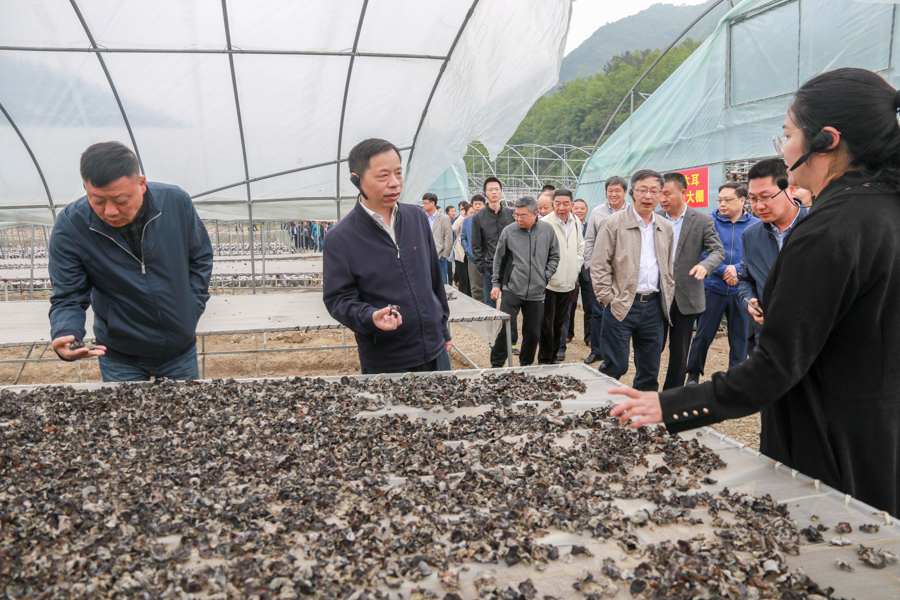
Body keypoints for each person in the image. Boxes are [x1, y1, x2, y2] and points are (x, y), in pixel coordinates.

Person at [610, 67, 900, 517]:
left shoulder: (828, 231)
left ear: (825, 140)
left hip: (829, 446)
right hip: (879, 435)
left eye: (787, 134)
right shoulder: (885, 209)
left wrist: (670, 404)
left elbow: (777, 365)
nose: (783, 148)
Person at [48, 141, 213, 382]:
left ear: (142, 184)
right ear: (85, 188)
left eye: (121, 200)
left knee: (185, 407)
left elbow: (199, 257)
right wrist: (66, 332)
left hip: (180, 351)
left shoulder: (175, 203)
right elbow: (68, 294)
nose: (110, 211)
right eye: (98, 201)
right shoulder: (71, 226)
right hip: (120, 356)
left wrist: (191, 307)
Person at [323, 138, 451, 374]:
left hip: (435, 350)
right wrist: (371, 317)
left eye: (398, 173)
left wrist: (443, 330)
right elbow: (338, 300)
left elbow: (434, 280)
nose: (394, 183)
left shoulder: (417, 218)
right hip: (387, 359)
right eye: (383, 176)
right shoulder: (340, 238)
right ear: (356, 180)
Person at [591, 170, 674, 391]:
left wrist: (668, 296)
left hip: (654, 306)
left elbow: (667, 265)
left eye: (654, 191)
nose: (648, 196)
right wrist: (608, 298)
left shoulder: (664, 226)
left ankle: (642, 411)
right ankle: (602, 404)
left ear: (661, 195)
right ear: (632, 193)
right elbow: (599, 264)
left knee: (649, 370)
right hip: (622, 303)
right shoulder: (613, 223)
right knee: (615, 365)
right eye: (642, 190)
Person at [685, 183, 759, 384]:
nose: (722, 204)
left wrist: (737, 269)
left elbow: (756, 255)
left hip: (741, 291)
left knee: (740, 338)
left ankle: (735, 381)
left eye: (727, 200)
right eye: (720, 200)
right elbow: (700, 252)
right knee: (703, 334)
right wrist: (723, 269)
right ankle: (693, 375)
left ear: (742, 201)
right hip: (713, 287)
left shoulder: (756, 225)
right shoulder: (708, 222)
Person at [658, 172, 725, 390]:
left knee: (679, 351)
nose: (662, 199)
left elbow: (717, 251)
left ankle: (672, 395)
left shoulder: (702, 220)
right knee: (651, 346)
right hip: (656, 293)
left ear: (683, 193)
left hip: (686, 295)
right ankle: (646, 390)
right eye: (660, 194)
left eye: (667, 194)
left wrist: (705, 266)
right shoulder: (654, 218)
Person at [737, 158, 808, 346]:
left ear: (791, 189)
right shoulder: (751, 235)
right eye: (753, 198)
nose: (759, 206)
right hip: (767, 338)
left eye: (766, 197)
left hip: (809, 339)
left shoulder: (818, 229)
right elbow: (745, 279)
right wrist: (749, 302)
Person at [489, 196, 559, 368]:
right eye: (516, 215)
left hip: (537, 292)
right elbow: (499, 260)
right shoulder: (509, 231)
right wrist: (496, 284)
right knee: (505, 328)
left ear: (535, 214)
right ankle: (496, 365)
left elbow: (554, 256)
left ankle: (525, 365)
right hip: (512, 288)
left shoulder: (547, 231)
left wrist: (545, 276)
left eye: (523, 215)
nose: (518, 219)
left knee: (533, 333)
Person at [582, 176, 629, 364]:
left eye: (618, 190)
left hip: (624, 272)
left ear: (625, 192)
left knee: (620, 311)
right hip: (600, 270)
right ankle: (597, 350)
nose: (614, 194)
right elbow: (589, 240)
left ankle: (616, 352)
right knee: (598, 311)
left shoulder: (632, 212)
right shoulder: (597, 212)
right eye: (610, 190)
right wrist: (589, 265)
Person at [538, 189, 584, 364]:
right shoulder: (545, 223)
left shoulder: (576, 222)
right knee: (546, 323)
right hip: (549, 282)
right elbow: (539, 253)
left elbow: (580, 247)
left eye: (566, 204)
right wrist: (545, 274)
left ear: (571, 205)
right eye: (557, 204)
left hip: (568, 281)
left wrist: (576, 266)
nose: (561, 208)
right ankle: (544, 359)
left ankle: (554, 356)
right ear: (553, 204)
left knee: (560, 322)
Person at [472, 177, 514, 309]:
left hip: (510, 266)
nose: (494, 192)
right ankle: (491, 324)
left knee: (509, 302)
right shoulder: (478, 217)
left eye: (496, 189)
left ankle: (507, 324)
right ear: (485, 193)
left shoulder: (511, 214)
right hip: (489, 266)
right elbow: (476, 244)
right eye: (490, 190)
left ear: (501, 191)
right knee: (489, 303)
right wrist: (481, 265)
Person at [559, 198, 592, 358]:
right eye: (576, 208)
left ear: (587, 211)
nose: (579, 211)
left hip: (587, 270)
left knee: (589, 304)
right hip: (570, 269)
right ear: (572, 209)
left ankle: (590, 336)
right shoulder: (568, 225)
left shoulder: (591, 227)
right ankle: (568, 334)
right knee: (568, 304)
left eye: (582, 208)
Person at [422, 193, 453, 286]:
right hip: (426, 256)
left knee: (442, 284)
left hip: (440, 256)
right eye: (422, 203)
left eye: (425, 203)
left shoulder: (444, 218)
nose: (423, 205)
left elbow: (448, 238)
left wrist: (444, 256)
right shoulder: (423, 218)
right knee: (427, 283)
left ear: (433, 203)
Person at [461, 195, 486, 302]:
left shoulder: (489, 219)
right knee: (475, 287)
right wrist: (468, 250)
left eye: (480, 204)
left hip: (487, 258)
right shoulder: (467, 220)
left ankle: (489, 308)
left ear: (484, 205)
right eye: (475, 204)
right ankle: (478, 307)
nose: (478, 206)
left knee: (488, 286)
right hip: (472, 258)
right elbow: (463, 237)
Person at [452, 204, 472, 296]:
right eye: (470, 213)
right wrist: (461, 216)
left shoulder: (475, 221)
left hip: (471, 253)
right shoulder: (462, 220)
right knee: (463, 277)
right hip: (461, 253)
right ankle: (463, 296)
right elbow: (454, 228)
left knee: (470, 278)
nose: (472, 214)